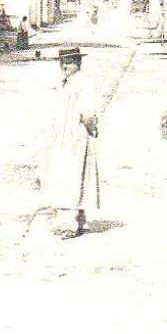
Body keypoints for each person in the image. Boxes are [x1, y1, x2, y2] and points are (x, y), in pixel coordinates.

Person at [42, 45, 100, 238]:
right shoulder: (68, 82)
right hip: (66, 136)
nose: (66, 65)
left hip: (77, 135)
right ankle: (80, 221)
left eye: (71, 61)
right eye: (63, 62)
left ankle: (69, 225)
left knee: (73, 175)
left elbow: (88, 113)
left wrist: (92, 129)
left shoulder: (84, 82)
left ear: (79, 62)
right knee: (71, 174)